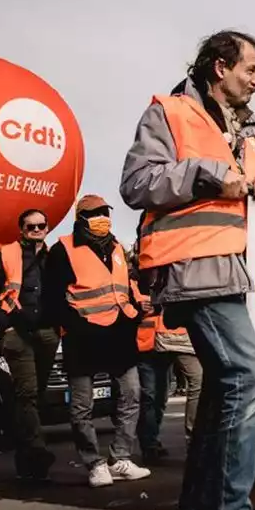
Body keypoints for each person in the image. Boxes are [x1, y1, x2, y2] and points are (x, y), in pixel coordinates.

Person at [120, 30, 255, 510]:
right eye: (251, 68)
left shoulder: (251, 126)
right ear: (220, 67)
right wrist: (211, 175)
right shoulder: (169, 113)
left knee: (222, 386)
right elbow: (137, 183)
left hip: (228, 267)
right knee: (247, 376)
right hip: (191, 263)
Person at [41, 195, 150, 488]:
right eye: (95, 213)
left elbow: (125, 287)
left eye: (105, 212)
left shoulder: (116, 247)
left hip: (118, 334)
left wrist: (134, 314)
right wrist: (76, 325)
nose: (103, 217)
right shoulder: (62, 249)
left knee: (132, 394)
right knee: (81, 406)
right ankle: (94, 463)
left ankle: (121, 458)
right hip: (83, 336)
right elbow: (52, 299)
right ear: (82, 218)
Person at [0, 208, 59, 481]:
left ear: (47, 228)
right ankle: (38, 451)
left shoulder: (53, 257)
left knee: (35, 397)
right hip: (16, 333)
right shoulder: (4, 255)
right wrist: (5, 325)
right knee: (28, 392)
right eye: (30, 227)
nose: (36, 230)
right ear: (21, 230)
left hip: (46, 332)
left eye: (41, 226)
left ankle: (26, 463)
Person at [131, 245, 204, 463]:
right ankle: (150, 445)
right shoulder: (135, 271)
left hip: (180, 335)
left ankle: (194, 443)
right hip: (151, 340)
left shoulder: (181, 261)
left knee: (196, 382)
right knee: (155, 395)